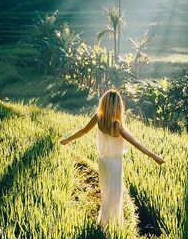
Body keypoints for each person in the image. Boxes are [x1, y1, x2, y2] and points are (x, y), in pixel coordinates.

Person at [60, 89, 164, 227]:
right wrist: (155, 157)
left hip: (103, 162)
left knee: (106, 194)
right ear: (118, 106)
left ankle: (104, 224)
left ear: (104, 103)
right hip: (115, 164)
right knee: (114, 196)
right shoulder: (117, 125)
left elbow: (83, 131)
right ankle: (112, 227)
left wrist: (67, 140)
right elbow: (136, 143)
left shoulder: (98, 118)